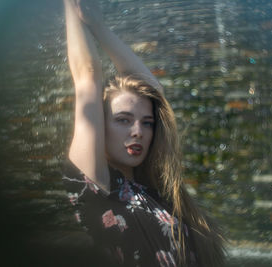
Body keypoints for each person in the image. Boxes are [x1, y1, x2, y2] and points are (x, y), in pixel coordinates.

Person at [62, 0, 225, 266]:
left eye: (147, 123)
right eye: (123, 120)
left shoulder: (156, 192)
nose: (138, 131)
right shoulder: (97, 188)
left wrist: (99, 26)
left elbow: (154, 92)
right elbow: (87, 77)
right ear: (100, 126)